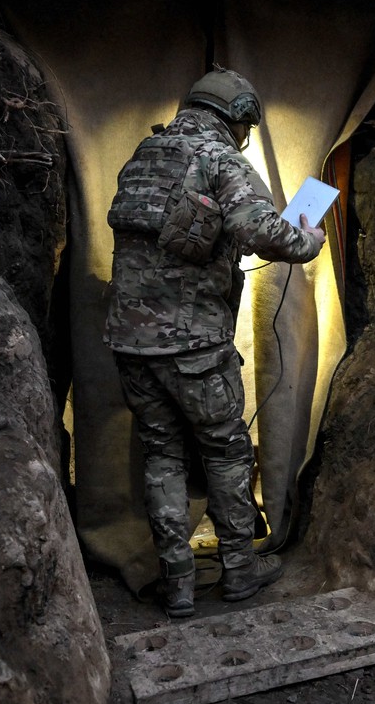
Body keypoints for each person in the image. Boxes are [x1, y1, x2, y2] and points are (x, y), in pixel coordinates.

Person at [103, 67, 327, 618]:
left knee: (161, 455)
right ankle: (239, 574)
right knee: (226, 453)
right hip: (194, 345)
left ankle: (178, 585)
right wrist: (308, 238)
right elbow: (261, 233)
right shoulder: (221, 158)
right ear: (239, 118)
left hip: (131, 342)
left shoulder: (145, 155)